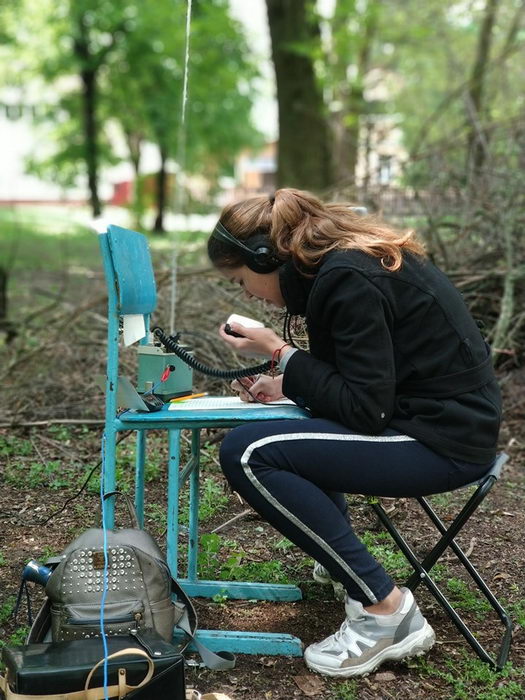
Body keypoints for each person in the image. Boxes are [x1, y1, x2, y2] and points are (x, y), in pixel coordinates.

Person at [207, 188, 501, 678]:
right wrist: (287, 383)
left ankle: (386, 611)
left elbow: (364, 410)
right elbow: (361, 384)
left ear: (265, 257)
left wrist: (281, 351)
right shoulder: (345, 265)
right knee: (281, 432)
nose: (248, 295)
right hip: (440, 425)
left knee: (248, 451)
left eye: (242, 281)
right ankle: (344, 570)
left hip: (440, 442)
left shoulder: (347, 277)